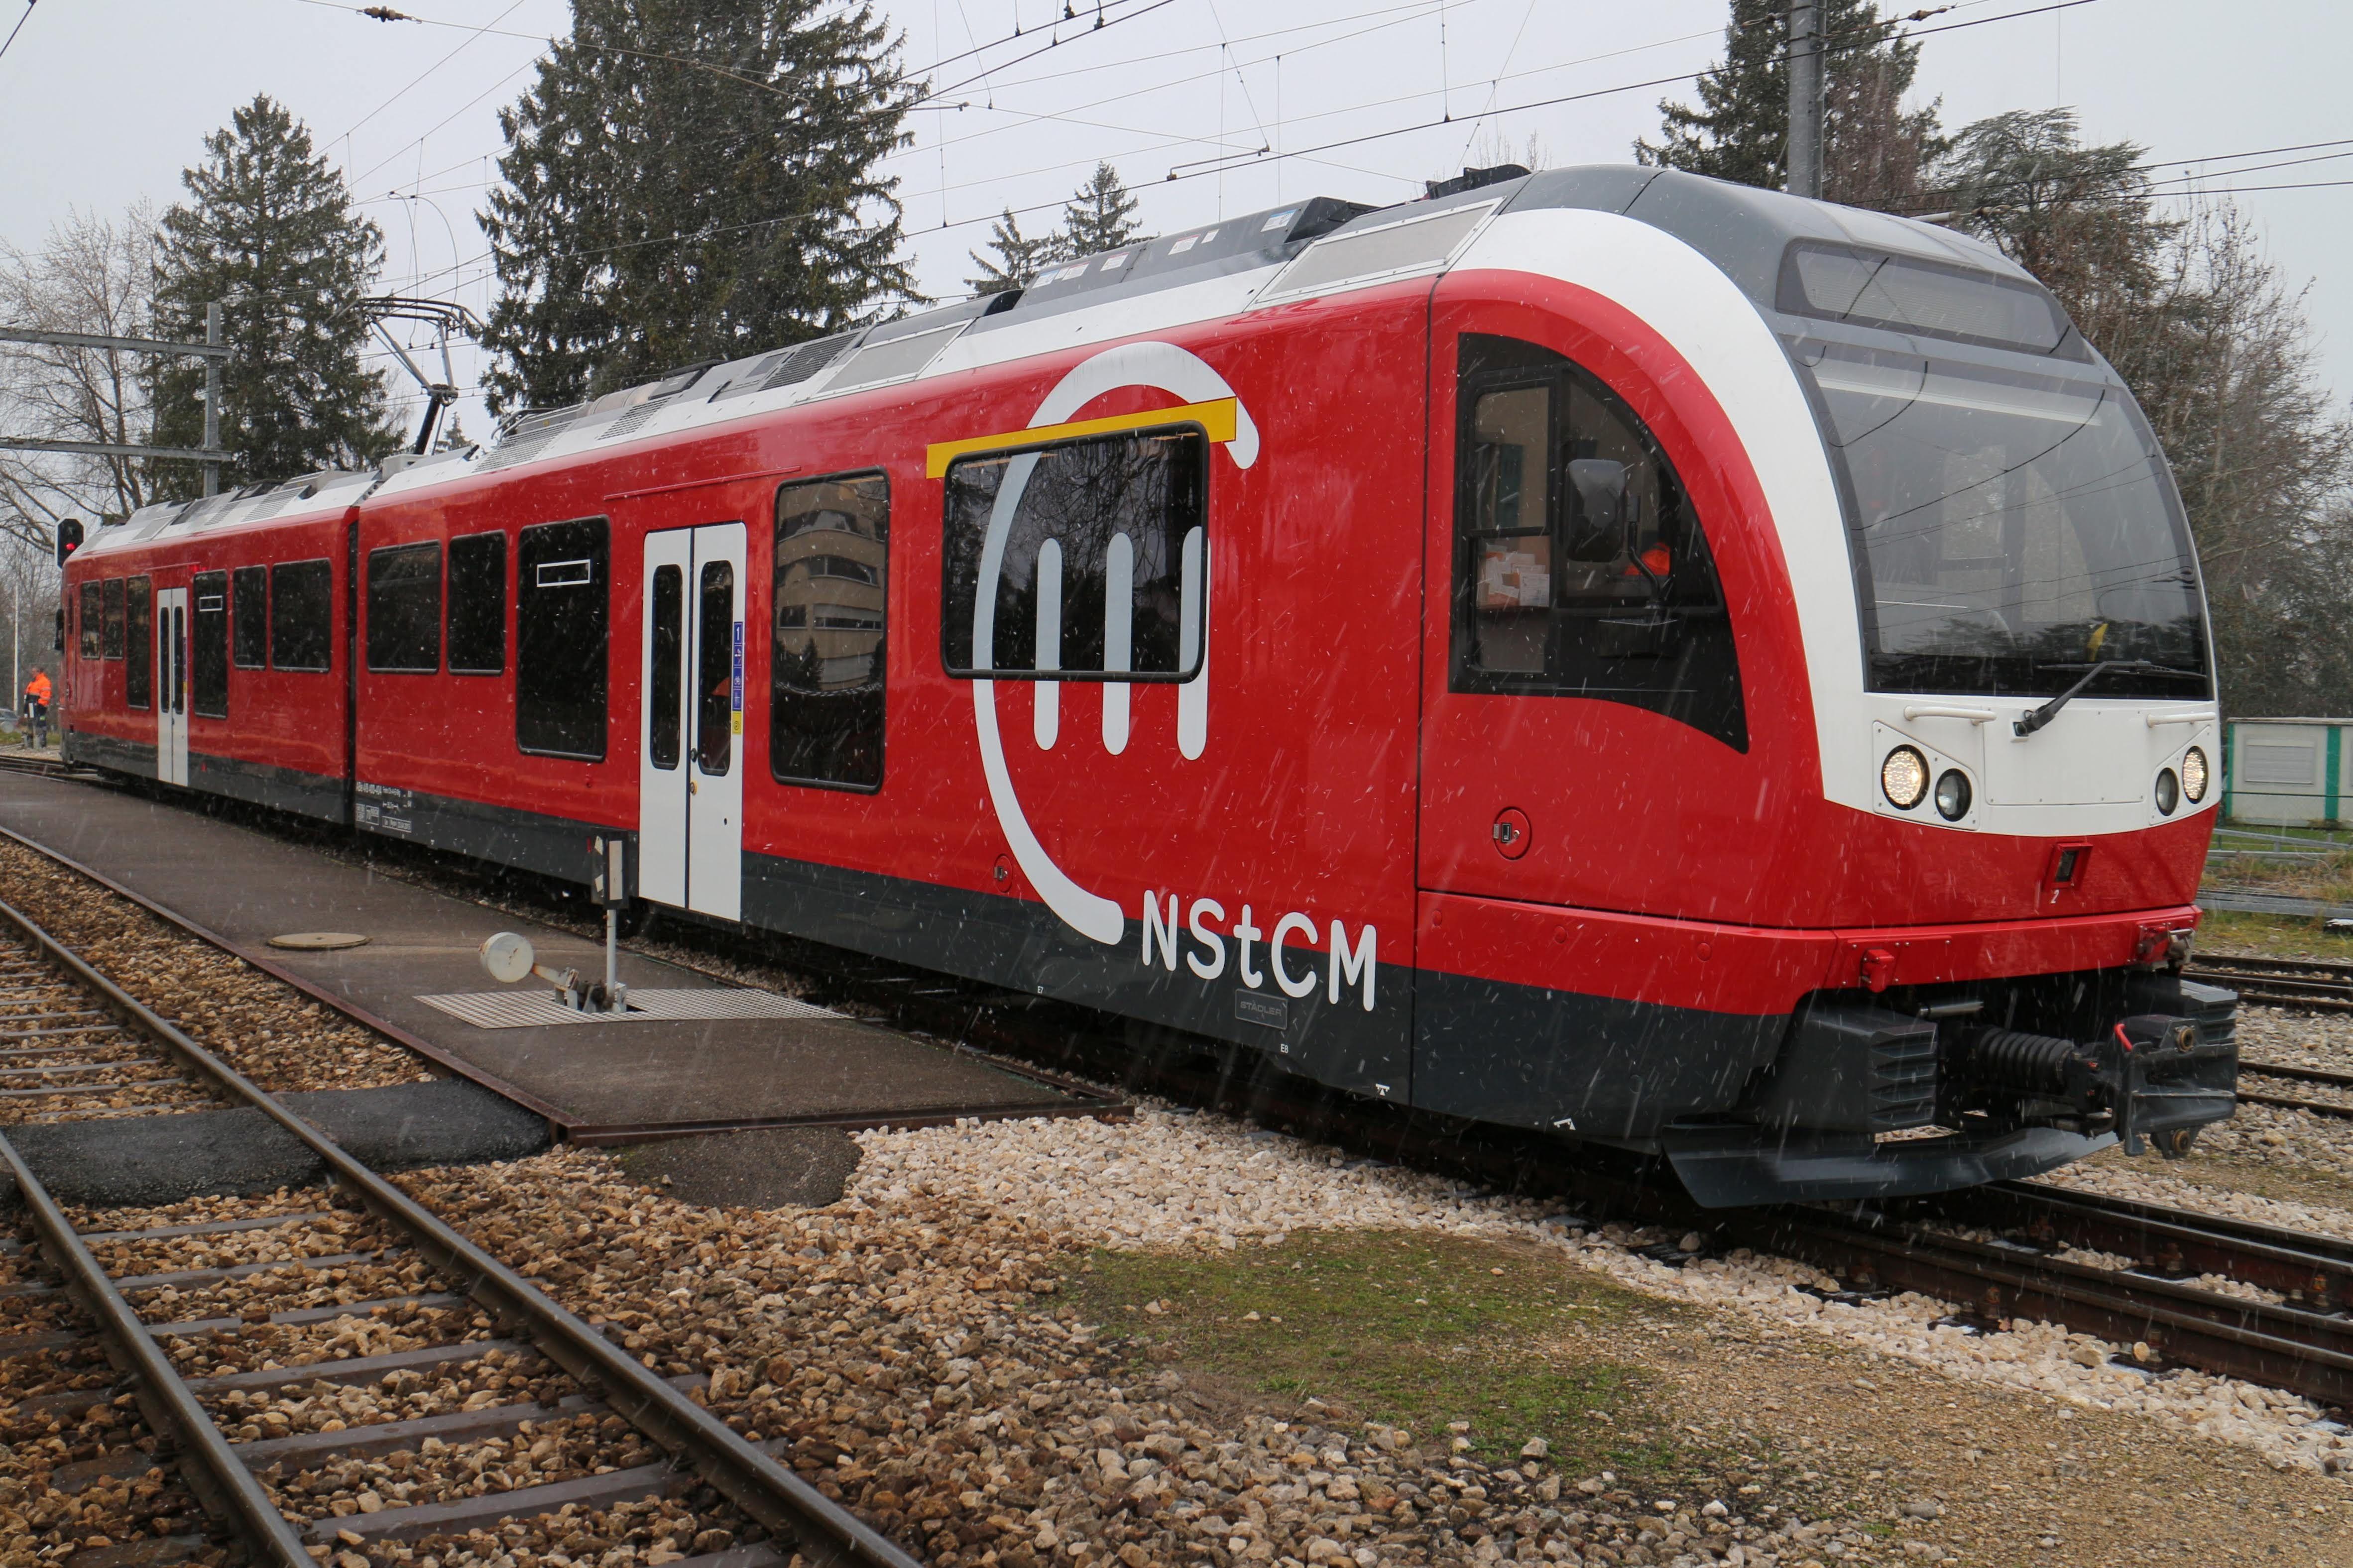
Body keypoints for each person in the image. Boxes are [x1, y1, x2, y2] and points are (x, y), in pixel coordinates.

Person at [21, 668, 50, 748]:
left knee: (40, 722)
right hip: (31, 706)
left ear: (39, 672)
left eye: (34, 672)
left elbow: (46, 695)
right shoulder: (34, 681)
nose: (32, 673)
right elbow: (29, 694)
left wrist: (40, 705)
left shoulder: (44, 681)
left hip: (39, 707)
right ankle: (31, 742)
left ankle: (41, 742)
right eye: (32, 671)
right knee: (31, 723)